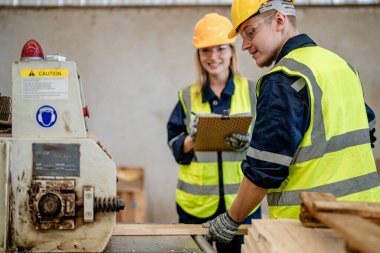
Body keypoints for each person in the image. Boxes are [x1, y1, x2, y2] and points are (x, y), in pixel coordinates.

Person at [203, 0, 380, 245]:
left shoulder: (284, 79)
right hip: (367, 222)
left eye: (250, 32)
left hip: (309, 228)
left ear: (279, 19)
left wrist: (232, 219)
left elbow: (266, 167)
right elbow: (366, 131)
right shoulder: (341, 66)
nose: (245, 45)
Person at [167, 13, 261, 252]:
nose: (213, 57)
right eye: (205, 50)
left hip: (240, 204)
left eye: (220, 48)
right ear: (198, 55)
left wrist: (249, 143)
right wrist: (193, 139)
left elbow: (268, 144)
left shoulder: (253, 91)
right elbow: (175, 144)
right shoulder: (187, 96)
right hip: (196, 206)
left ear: (232, 51)